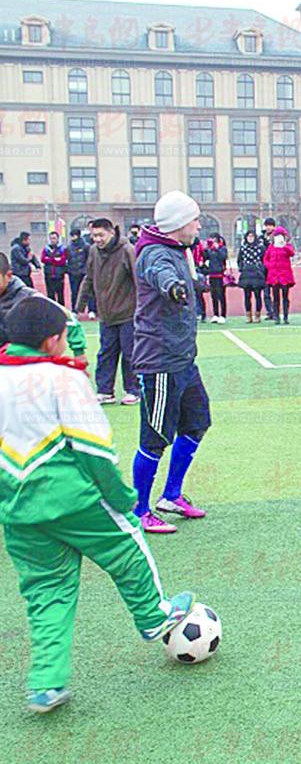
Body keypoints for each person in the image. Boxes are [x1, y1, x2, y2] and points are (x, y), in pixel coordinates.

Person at [0, 296, 197, 714]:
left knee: (46, 591)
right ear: (53, 341)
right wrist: (122, 498)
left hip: (18, 510)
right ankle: (155, 617)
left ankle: (47, 684)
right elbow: (94, 451)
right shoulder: (64, 380)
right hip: (72, 499)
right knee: (128, 547)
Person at [131, 190, 211, 534]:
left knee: (196, 423)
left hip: (182, 359)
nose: (198, 225)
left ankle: (171, 495)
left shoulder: (179, 250)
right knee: (154, 438)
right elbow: (160, 275)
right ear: (178, 224)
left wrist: (194, 283)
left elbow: (178, 277)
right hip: (159, 362)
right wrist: (176, 288)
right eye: (194, 219)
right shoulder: (153, 252)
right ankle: (139, 510)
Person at [77, 218, 140, 406]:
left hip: (128, 313)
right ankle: (105, 391)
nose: (97, 239)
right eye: (93, 235)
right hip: (106, 314)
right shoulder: (94, 252)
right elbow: (88, 277)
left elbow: (138, 280)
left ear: (111, 232)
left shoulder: (127, 250)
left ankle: (133, 390)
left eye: (100, 235)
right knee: (106, 353)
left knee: (130, 353)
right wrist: (79, 305)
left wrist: (143, 308)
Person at [0, 252, 87, 360]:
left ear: (8, 276)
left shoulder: (30, 299)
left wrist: (79, 352)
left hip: (22, 366)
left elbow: (68, 319)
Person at [263, 226, 295, 325]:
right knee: (276, 297)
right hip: (274, 276)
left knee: (285, 296)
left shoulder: (287, 246)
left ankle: (285, 316)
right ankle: (276, 316)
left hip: (285, 275)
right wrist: (270, 266)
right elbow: (265, 259)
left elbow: (292, 253)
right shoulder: (271, 247)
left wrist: (284, 245)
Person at [237, 230, 267, 324]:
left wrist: (261, 269)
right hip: (246, 274)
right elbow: (239, 260)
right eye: (248, 236)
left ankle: (257, 315)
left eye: (252, 236)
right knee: (247, 296)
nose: (250, 238)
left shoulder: (260, 247)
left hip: (257, 274)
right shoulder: (243, 248)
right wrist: (242, 268)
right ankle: (248, 315)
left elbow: (264, 259)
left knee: (258, 296)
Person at [204, 234, 228, 324]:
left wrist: (217, 249)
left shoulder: (222, 248)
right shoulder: (210, 249)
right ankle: (215, 314)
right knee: (213, 295)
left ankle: (223, 315)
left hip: (220, 275)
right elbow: (205, 257)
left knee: (221, 295)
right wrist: (206, 249)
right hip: (212, 274)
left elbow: (223, 257)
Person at [66, 229, 91, 316]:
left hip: (84, 272)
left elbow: (89, 259)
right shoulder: (69, 247)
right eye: (72, 236)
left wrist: (87, 269)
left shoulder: (86, 246)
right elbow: (68, 259)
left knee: (87, 291)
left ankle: (91, 310)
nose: (73, 238)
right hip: (73, 272)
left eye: (74, 235)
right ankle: (74, 310)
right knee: (74, 291)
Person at [41, 231, 68, 305]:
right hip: (48, 274)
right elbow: (43, 259)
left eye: (54, 238)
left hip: (59, 275)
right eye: (51, 238)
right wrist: (54, 259)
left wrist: (50, 259)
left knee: (60, 295)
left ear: (58, 239)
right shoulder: (46, 249)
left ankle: (62, 312)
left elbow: (62, 261)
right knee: (50, 295)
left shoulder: (62, 248)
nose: (52, 240)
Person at [261, 217, 277, 320]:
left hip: (275, 268)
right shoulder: (261, 238)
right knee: (266, 292)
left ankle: (276, 312)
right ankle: (269, 311)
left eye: (270, 225)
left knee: (276, 291)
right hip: (264, 268)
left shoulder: (278, 237)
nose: (268, 227)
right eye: (267, 225)